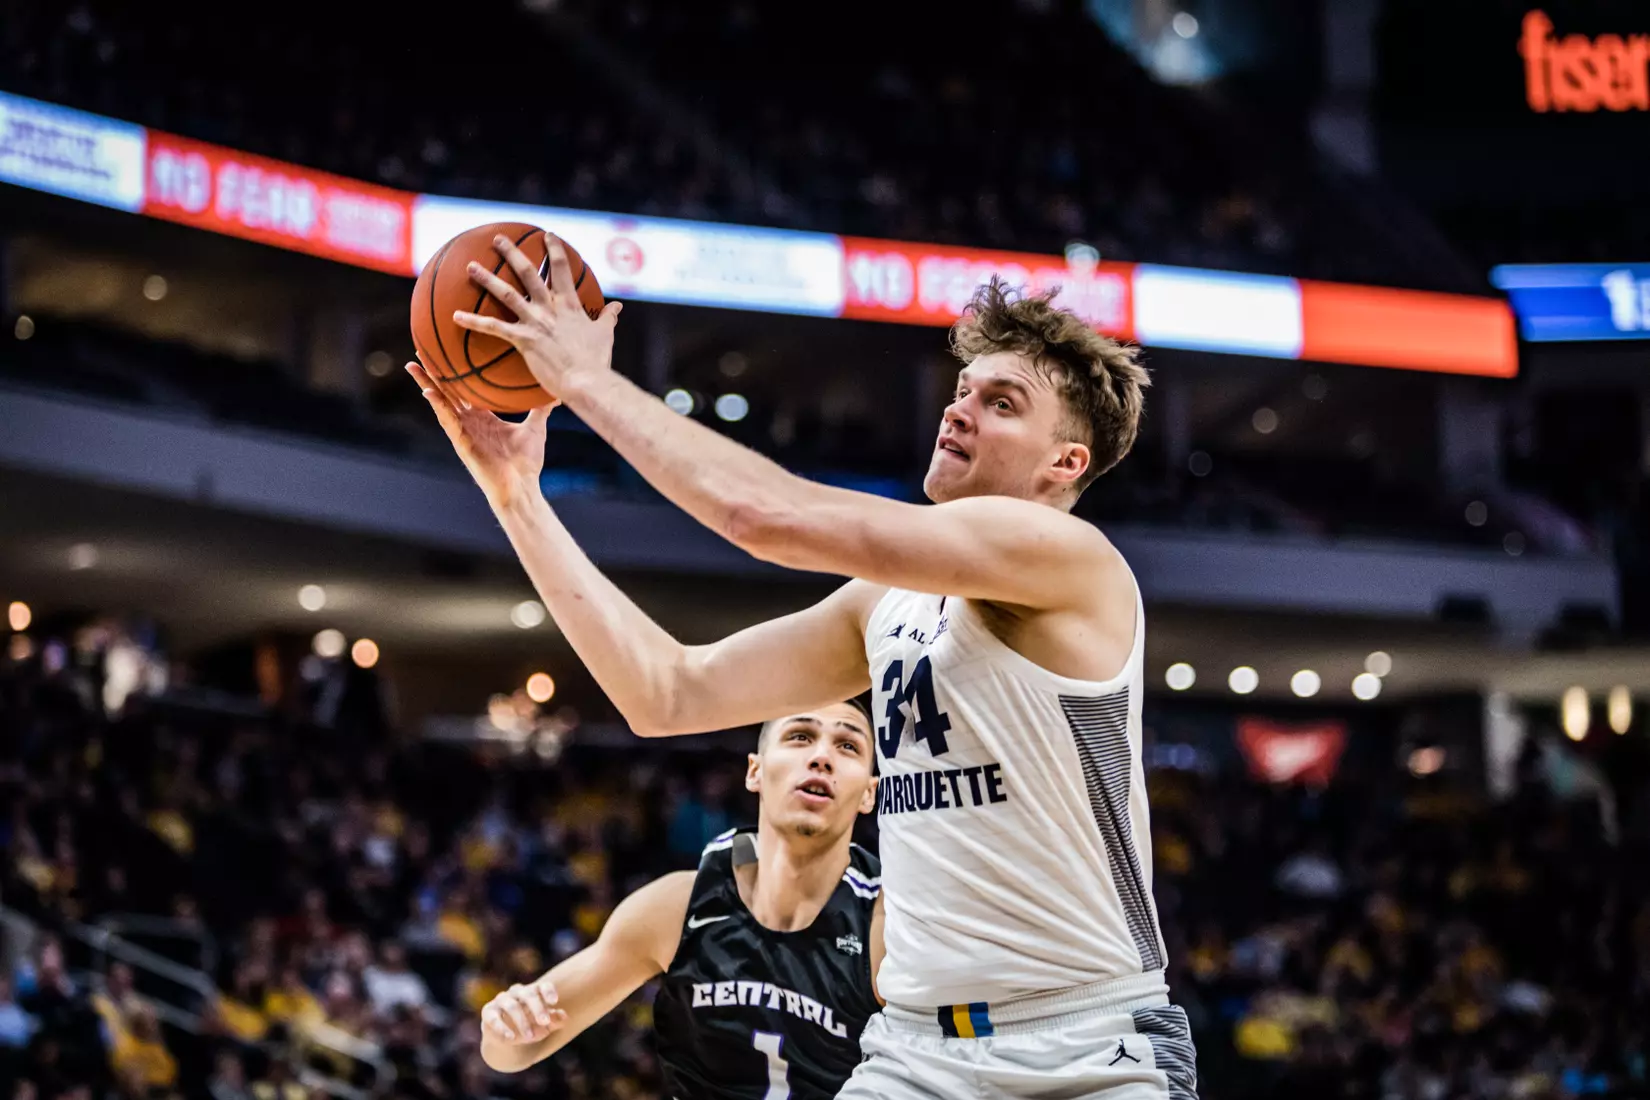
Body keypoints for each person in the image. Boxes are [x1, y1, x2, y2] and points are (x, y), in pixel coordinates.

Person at [409, 235, 1197, 1098]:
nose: (959, 411)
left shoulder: (1069, 560)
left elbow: (763, 515)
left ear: (1065, 463)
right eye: (963, 391)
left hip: (1081, 1046)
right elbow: (668, 694)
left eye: (1001, 403)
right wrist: (517, 499)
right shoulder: (882, 605)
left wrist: (586, 381)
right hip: (916, 1051)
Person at [475, 702, 881, 1100]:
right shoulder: (675, 907)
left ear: (869, 792)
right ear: (754, 771)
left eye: (848, 746)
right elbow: (512, 1053)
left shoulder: (892, 926)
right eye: (800, 736)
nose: (822, 756)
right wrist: (506, 1027)